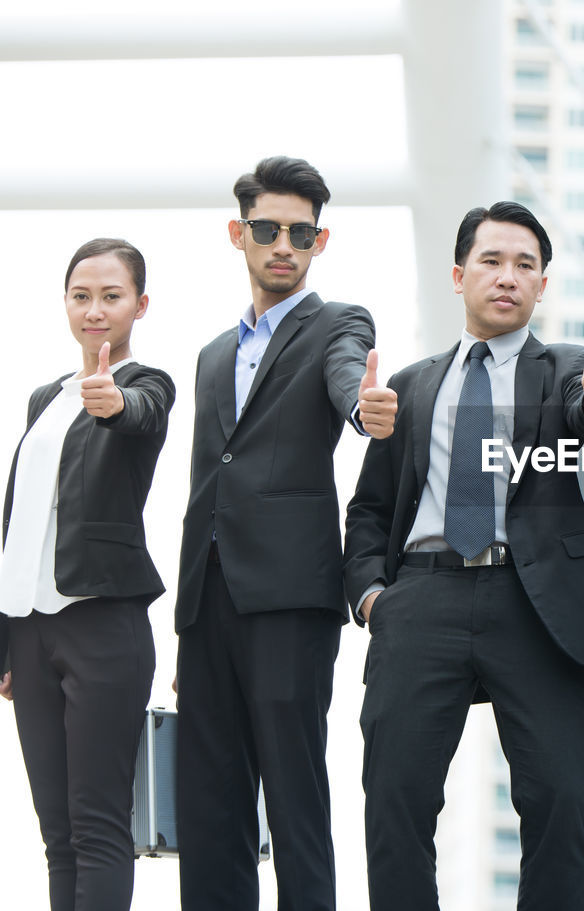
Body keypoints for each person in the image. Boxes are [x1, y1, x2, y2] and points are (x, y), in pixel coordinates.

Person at [343, 200, 584, 910]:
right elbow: (370, 509)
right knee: (395, 801)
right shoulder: (409, 385)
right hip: (421, 598)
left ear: (541, 285)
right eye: (492, 261)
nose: (507, 277)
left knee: (562, 797)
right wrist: (374, 597)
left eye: (525, 265)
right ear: (458, 273)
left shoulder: (568, 367)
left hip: (536, 604)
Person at [173, 155, 397, 911]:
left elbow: (347, 378)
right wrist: (188, 619)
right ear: (238, 233)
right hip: (208, 603)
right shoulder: (211, 355)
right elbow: (209, 478)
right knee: (208, 806)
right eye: (267, 229)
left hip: (290, 599)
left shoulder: (337, 323)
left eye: (300, 233)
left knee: (294, 796)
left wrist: (366, 408)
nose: (283, 245)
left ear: (319, 242)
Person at [0, 238, 174, 911]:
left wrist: (113, 404)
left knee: (100, 827)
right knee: (58, 835)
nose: (95, 309)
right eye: (82, 295)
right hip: (31, 631)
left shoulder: (146, 382)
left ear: (139, 304)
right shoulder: (47, 395)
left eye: (111, 296)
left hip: (104, 622)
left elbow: (140, 415)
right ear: (66, 303)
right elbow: (18, 519)